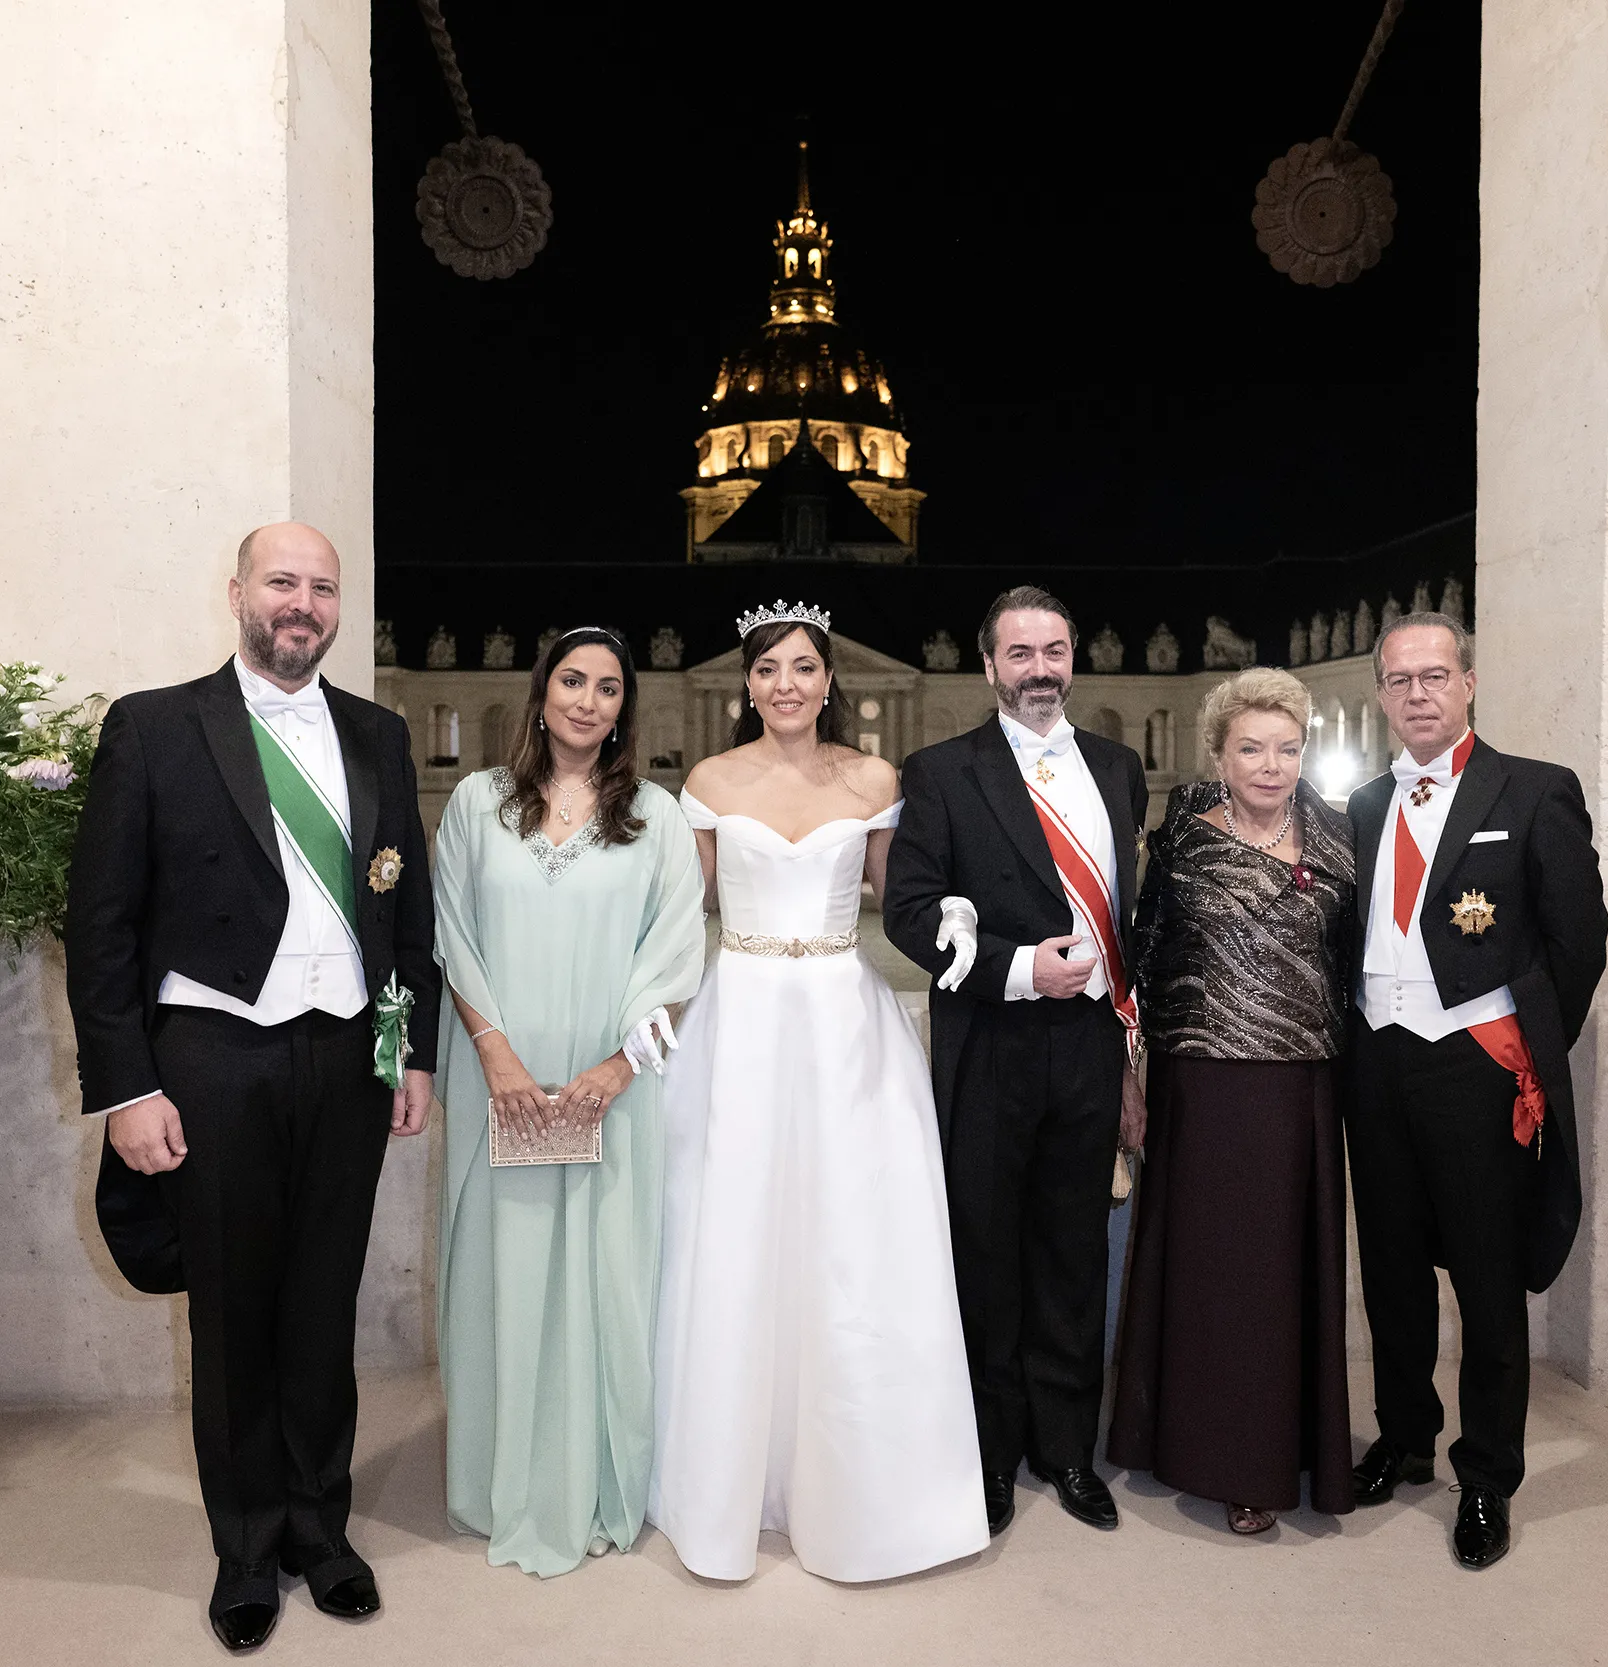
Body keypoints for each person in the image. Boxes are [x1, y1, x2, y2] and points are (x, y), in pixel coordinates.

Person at [67, 523, 441, 1653]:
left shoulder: (378, 732)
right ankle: (244, 1547)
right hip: (213, 1056)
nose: (302, 603)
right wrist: (126, 1088)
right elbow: (100, 924)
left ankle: (320, 1529)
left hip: (346, 1057)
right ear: (237, 591)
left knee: (322, 1304)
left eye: (322, 587)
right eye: (283, 581)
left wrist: (413, 1051)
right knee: (232, 1313)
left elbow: (408, 913)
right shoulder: (154, 725)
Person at [650, 603, 987, 1583]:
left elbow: (898, 893)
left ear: (828, 679)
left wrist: (958, 913)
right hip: (742, 1014)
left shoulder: (873, 779)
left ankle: (860, 1477)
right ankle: (731, 1471)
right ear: (747, 684)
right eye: (768, 669)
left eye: (802, 667)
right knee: (738, 1226)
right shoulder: (710, 781)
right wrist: (640, 994)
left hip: (843, 1012)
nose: (785, 684)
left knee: (848, 1232)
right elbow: (682, 909)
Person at [432, 627, 705, 1578]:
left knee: (605, 1275)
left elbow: (676, 957)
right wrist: (497, 1057)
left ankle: (596, 1477)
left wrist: (616, 1069)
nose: (589, 700)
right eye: (573, 680)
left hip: (609, 1087)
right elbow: (452, 932)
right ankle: (497, 1479)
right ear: (541, 692)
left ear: (626, 706)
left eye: (608, 687)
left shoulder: (658, 816)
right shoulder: (476, 804)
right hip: (497, 1079)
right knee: (500, 1269)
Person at [1341, 612, 1608, 1570]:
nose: (1417, 693)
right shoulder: (1360, 804)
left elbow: (1579, 941)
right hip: (1374, 1060)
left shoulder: (1534, 789)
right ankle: (1406, 1436)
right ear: (1381, 693)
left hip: (1475, 1065)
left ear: (1468, 683)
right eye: (1400, 678)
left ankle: (1487, 1473)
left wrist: (1522, 1049)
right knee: (1391, 1267)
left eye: (1435, 675)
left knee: (1488, 1279)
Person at [883, 585, 1148, 1537]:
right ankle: (991, 1452)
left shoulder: (1118, 767)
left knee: (1074, 1248)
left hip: (1089, 1047)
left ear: (1074, 657)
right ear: (989, 662)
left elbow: (1127, 912)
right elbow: (909, 911)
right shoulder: (940, 772)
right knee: (988, 1251)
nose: (1041, 669)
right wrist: (1019, 968)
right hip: (990, 1044)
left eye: (1055, 650)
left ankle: (1067, 1447)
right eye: (1021, 653)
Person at [1107, 668, 1357, 1536]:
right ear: (1218, 755)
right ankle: (1193, 1446)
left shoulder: (1339, 835)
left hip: (1299, 1087)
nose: (1271, 764)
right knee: (1208, 1275)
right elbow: (1143, 956)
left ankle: (1269, 1459)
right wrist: (1132, 1071)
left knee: (1277, 1281)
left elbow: (1355, 960)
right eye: (1252, 748)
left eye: (1288, 747)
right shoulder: (1181, 835)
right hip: (1201, 1085)